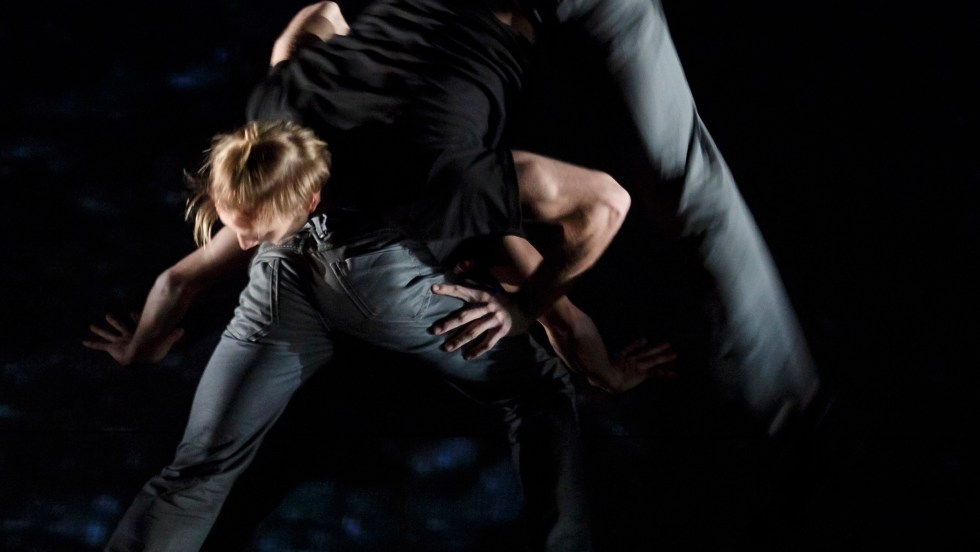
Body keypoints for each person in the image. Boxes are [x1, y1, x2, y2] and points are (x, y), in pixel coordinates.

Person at [96, 120, 654, 551]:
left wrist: (140, 348)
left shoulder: (464, 208)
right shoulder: (284, 178)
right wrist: (605, 375)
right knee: (542, 390)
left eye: (253, 229)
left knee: (202, 463)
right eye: (238, 226)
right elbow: (563, 320)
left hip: (321, 270)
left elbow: (178, 280)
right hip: (365, 282)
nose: (243, 243)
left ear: (309, 199)